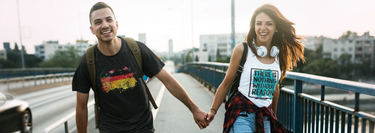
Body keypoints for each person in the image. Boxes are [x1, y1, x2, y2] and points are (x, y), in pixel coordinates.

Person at [72, 2, 208, 133]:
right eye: (98, 22)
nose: (105, 25)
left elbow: (168, 81)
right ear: (92, 29)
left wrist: (194, 109)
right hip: (110, 129)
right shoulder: (87, 62)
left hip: (143, 127)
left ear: (116, 24)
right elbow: (81, 107)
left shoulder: (136, 49)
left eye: (109, 20)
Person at [206, 4, 305, 133]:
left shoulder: (278, 55)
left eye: (269, 23)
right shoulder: (242, 49)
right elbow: (226, 84)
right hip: (242, 113)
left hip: (265, 116)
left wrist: (272, 117)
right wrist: (213, 111)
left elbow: (275, 89)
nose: (262, 28)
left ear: (276, 28)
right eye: (259, 23)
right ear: (253, 26)